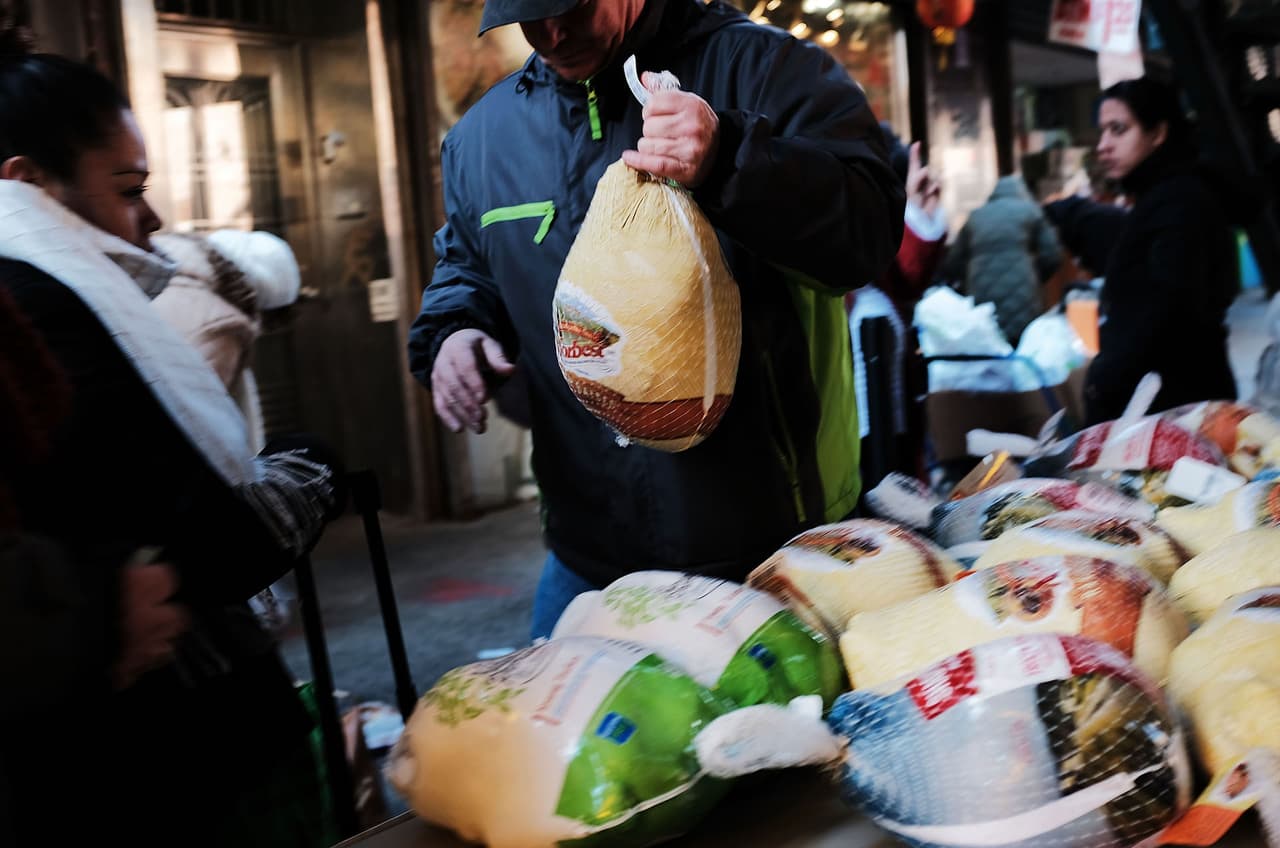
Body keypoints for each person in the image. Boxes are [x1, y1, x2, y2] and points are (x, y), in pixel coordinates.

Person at [408, 0, 905, 638]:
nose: (554, 33)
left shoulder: (765, 69)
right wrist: (454, 330)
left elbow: (864, 236)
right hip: (589, 562)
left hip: (777, 553)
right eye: (529, 16)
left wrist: (730, 157)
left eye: (573, 7)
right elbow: (467, 267)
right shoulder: (483, 139)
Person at [0, 31, 337, 846]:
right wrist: (306, 469)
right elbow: (213, 539)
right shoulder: (39, 312)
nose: (147, 220)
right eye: (126, 188)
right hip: (169, 756)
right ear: (26, 184)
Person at [1083, 76, 1239, 423]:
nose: (1103, 145)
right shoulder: (1164, 197)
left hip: (1173, 410)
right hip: (1171, 403)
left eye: (1118, 130)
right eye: (1103, 131)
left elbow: (1169, 312)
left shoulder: (1178, 202)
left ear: (1158, 134)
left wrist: (1106, 380)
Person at [937, 173, 1064, 345]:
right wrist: (1035, 275)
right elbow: (1052, 254)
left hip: (981, 294)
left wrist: (970, 281)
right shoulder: (1031, 211)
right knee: (1024, 348)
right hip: (1025, 292)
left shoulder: (976, 216)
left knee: (990, 347)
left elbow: (954, 262)